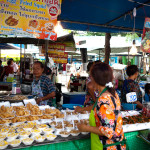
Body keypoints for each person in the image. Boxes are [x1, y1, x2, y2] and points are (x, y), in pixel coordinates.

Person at [77, 62, 126, 150]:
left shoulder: (103, 100)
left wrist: (85, 128)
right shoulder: (112, 93)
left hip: (108, 146)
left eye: (91, 77)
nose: (90, 80)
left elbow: (108, 131)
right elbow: (100, 110)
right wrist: (82, 109)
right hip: (117, 143)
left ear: (95, 79)